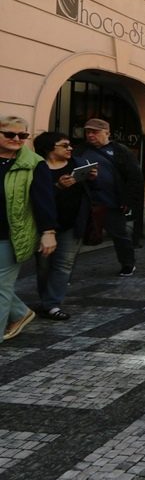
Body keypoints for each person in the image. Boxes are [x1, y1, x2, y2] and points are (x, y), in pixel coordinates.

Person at [1, 118, 57, 341]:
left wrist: (48, 232)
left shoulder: (34, 164)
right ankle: (21, 313)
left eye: (23, 136)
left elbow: (44, 201)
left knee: (1, 287)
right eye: (9, 135)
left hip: (11, 235)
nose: (17, 139)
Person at [33, 132, 91, 320]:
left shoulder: (78, 164)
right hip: (42, 225)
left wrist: (92, 178)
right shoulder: (37, 167)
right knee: (43, 265)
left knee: (64, 264)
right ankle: (45, 300)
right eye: (64, 145)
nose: (70, 148)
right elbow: (38, 197)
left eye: (70, 145)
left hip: (72, 223)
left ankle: (52, 304)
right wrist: (58, 187)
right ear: (50, 148)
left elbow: (93, 192)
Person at [81, 118, 143, 277]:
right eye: (88, 132)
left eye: (95, 132)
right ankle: (65, 272)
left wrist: (129, 200)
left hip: (112, 202)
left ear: (107, 133)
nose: (90, 135)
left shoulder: (120, 150)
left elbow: (134, 176)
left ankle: (128, 264)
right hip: (87, 201)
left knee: (119, 234)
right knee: (77, 237)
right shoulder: (80, 150)